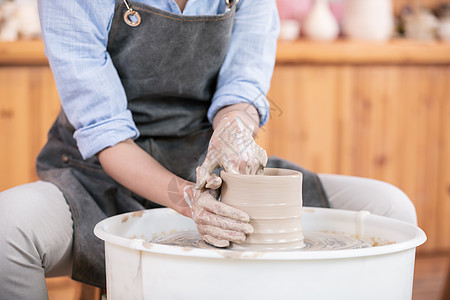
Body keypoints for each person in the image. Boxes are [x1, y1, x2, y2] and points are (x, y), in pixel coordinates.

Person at [0, 0, 417, 298]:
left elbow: (242, 87)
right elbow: (107, 135)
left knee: (391, 209)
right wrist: (184, 198)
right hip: (99, 177)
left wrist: (234, 128)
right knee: (7, 229)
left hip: (215, 174)